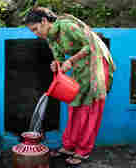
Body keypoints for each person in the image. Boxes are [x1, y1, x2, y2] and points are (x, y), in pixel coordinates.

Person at [24, 7, 116, 165]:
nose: (35, 33)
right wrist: (56, 64)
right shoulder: (50, 37)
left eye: (35, 28)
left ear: (44, 21)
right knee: (75, 104)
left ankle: (83, 150)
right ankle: (69, 146)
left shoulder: (66, 26)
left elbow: (91, 45)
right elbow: (59, 57)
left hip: (96, 64)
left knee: (90, 108)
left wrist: (71, 61)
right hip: (81, 67)